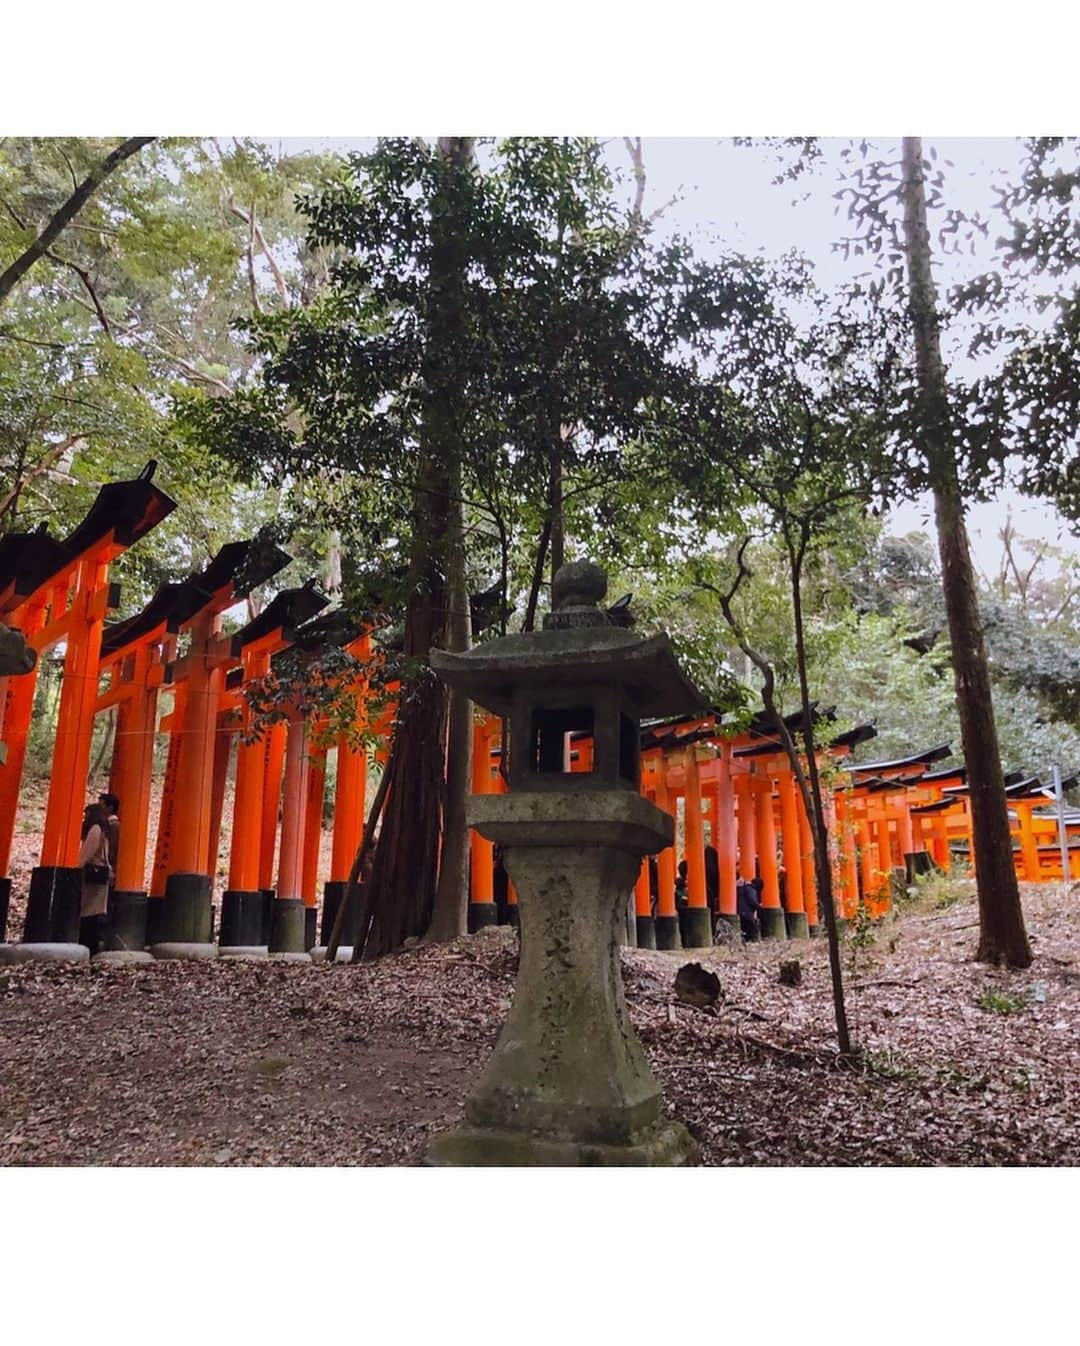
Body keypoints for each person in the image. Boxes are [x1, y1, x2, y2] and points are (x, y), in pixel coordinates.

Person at [79, 801, 113, 953]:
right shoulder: (104, 830)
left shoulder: (95, 829)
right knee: (95, 912)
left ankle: (88, 944)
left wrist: (77, 867)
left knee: (88, 912)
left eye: (87, 814)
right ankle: (93, 944)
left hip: (93, 875)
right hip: (101, 875)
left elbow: (88, 852)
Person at [98, 792, 120, 889]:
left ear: (110, 808)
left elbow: (113, 849)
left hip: (108, 870)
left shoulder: (113, 826)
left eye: (101, 806)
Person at [736, 876, 762, 943]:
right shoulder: (751, 889)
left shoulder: (744, 887)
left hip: (740, 911)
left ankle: (745, 941)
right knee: (753, 929)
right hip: (747, 912)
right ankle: (752, 941)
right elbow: (752, 901)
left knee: (744, 929)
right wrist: (759, 906)